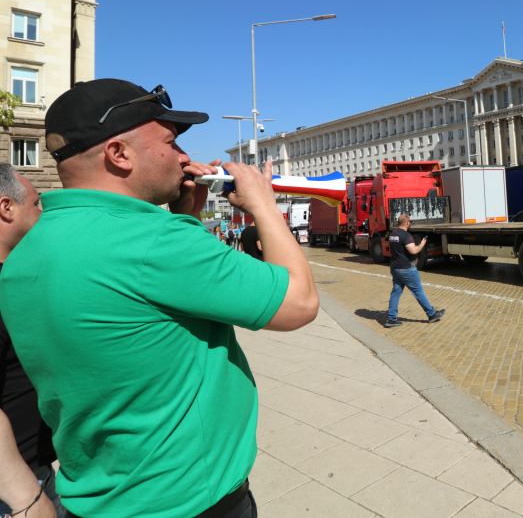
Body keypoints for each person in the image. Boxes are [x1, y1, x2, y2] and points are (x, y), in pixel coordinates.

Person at [0, 79, 319, 518]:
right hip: (189, 499)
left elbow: (139, 310)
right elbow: (298, 303)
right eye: (171, 142)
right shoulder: (153, 242)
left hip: (98, 493)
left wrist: (185, 218)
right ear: (119, 154)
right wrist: (263, 206)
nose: (185, 157)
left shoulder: (28, 249)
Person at [0, 165, 57, 518]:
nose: (42, 213)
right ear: (6, 207)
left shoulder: (14, 275)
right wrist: (26, 499)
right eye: (36, 204)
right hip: (16, 488)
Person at [384, 213, 444, 328]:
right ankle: (432, 314)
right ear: (406, 223)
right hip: (406, 269)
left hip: (395, 267)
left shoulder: (393, 234)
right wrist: (421, 244)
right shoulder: (406, 236)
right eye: (410, 222)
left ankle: (391, 319)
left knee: (396, 292)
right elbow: (413, 251)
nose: (410, 223)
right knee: (418, 291)